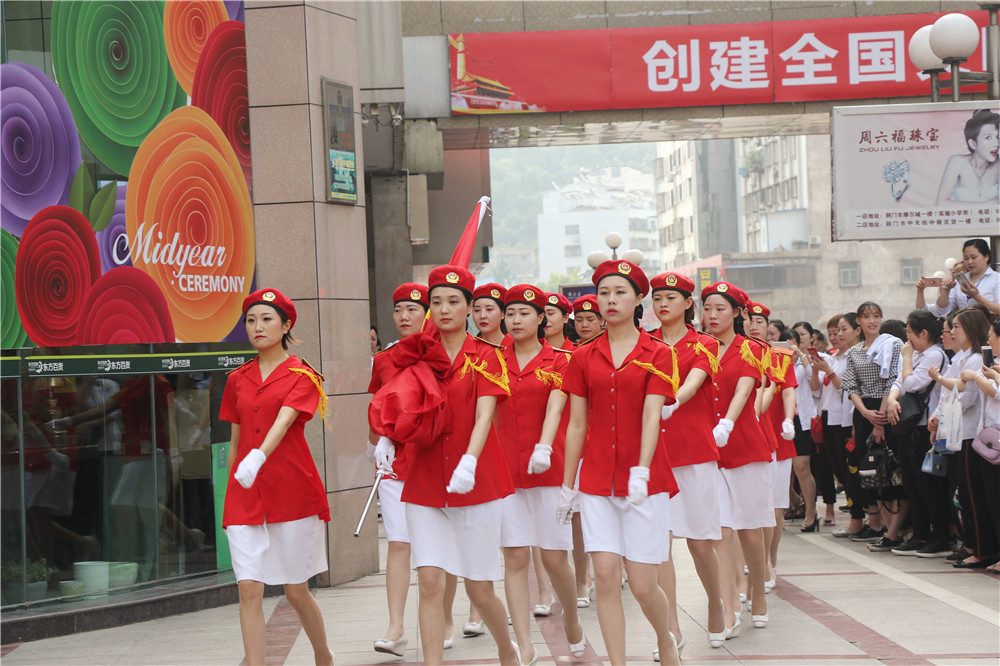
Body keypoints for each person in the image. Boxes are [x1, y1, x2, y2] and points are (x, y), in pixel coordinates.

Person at [556, 259, 681, 666]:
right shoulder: (582, 357)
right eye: (604, 293)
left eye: (620, 293)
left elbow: (652, 415)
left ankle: (665, 639)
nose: (611, 300)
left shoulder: (658, 353)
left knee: (643, 584)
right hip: (596, 481)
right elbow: (577, 424)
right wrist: (567, 486)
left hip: (646, 482)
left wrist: (641, 470)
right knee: (606, 576)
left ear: (638, 298)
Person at [401, 265, 518, 666]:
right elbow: (399, 403)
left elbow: (486, 415)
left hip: (476, 481)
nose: (444, 309)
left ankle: (507, 650)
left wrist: (469, 461)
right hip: (425, 481)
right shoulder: (417, 356)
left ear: (469, 307)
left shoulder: (486, 356)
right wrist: (386, 440)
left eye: (454, 301)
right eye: (436, 302)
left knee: (479, 589)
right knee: (430, 582)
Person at [221, 288, 333, 666]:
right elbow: (235, 440)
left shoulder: (304, 375)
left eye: (267, 319)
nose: (257, 327)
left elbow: (284, 422)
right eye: (251, 320)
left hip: (291, 493)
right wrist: (234, 487)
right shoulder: (237, 378)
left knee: (295, 590)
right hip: (246, 495)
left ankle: (323, 655)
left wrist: (257, 457)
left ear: (285, 326)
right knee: (249, 589)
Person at [497, 284, 586, 664]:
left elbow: (556, 406)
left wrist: (544, 446)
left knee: (553, 558)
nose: (516, 320)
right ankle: (524, 643)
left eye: (525, 313)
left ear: (541, 319)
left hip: (549, 471)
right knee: (515, 557)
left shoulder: (561, 361)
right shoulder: (492, 361)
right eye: (510, 313)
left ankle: (572, 619)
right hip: (504, 473)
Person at [369, 283, 454, 657]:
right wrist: (377, 446)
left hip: (434, 461)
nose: (404, 316)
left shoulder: (443, 355)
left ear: (428, 314)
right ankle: (395, 627)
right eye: (398, 309)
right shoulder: (384, 359)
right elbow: (376, 408)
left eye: (413, 309)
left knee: (438, 550)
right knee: (399, 542)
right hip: (395, 465)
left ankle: (445, 618)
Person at [650, 272, 727, 652]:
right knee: (658, 547)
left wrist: (672, 400)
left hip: (694, 454)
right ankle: (671, 630)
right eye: (657, 298)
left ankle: (715, 603)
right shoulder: (644, 344)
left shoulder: (704, 343)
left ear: (687, 303)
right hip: (653, 455)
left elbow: (694, 381)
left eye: (670, 298)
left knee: (699, 544)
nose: (663, 304)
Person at [700, 282, 774, 636]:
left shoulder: (752, 348)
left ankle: (757, 591)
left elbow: (745, 389)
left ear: (737, 313)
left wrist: (727, 423)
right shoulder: (697, 348)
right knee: (720, 530)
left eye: (720, 309)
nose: (712, 315)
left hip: (744, 446)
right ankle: (729, 603)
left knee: (750, 531)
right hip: (707, 450)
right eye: (707, 309)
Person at [929, 308, 993, 568]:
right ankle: (971, 545)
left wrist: (943, 408)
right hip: (957, 432)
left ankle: (980, 548)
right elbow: (948, 394)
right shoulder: (959, 358)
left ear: (971, 329)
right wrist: (937, 415)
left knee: (970, 494)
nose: (952, 332)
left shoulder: (976, 359)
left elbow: (966, 399)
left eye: (957, 327)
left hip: (970, 432)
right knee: (962, 493)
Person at [885, 310, 950, 557]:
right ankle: (920, 534)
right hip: (912, 426)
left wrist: (906, 358)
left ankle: (939, 537)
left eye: (910, 333)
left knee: (928, 485)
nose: (908, 339)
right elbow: (899, 382)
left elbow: (911, 384)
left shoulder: (934, 354)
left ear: (923, 333)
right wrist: (892, 400)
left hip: (926, 427)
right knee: (912, 484)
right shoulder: (916, 354)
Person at [839, 302, 903, 550]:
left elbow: (892, 380)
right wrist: (864, 412)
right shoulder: (855, 351)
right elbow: (850, 385)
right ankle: (881, 525)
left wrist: (881, 419)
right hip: (864, 411)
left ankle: (894, 530)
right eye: (867, 317)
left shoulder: (892, 344)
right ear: (859, 321)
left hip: (886, 409)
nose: (872, 321)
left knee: (888, 469)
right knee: (869, 470)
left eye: (876, 316)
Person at [959, 315, 1000, 574]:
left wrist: (977, 376)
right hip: (987, 438)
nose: (988, 341)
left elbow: (996, 391)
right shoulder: (993, 364)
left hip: (997, 437)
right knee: (990, 498)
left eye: (991, 336)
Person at [809, 314, 848, 527]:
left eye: (839, 332)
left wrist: (828, 371)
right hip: (825, 416)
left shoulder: (851, 357)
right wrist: (817, 369)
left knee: (843, 467)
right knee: (827, 464)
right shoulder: (830, 359)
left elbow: (844, 388)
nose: (835, 337)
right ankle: (831, 510)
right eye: (832, 333)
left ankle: (856, 510)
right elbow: (816, 390)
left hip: (843, 417)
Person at [919, 239, 1000, 317]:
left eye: (974, 257)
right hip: (964, 325)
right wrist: (946, 290)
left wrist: (977, 297)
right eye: (966, 258)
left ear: (986, 257)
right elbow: (941, 310)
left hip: (989, 326)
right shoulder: (960, 280)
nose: (970, 262)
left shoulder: (996, 279)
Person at [934, 109, 999, 205]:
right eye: (988, 137)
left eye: (998, 137)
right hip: (963, 216)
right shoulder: (957, 162)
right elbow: (940, 204)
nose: (996, 143)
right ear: (973, 144)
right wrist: (986, 205)